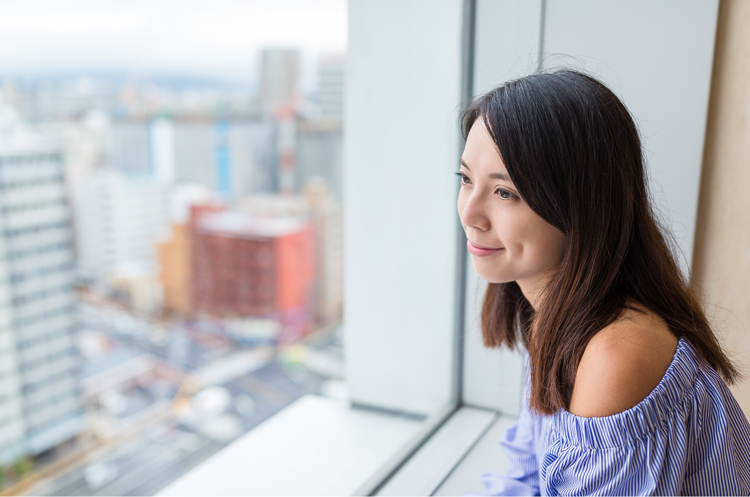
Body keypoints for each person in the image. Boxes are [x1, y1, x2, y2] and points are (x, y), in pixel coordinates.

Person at [457, 70, 750, 496]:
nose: (469, 213)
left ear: (579, 205)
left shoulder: (615, 354)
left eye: (505, 193)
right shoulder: (551, 313)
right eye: (465, 179)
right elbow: (529, 473)